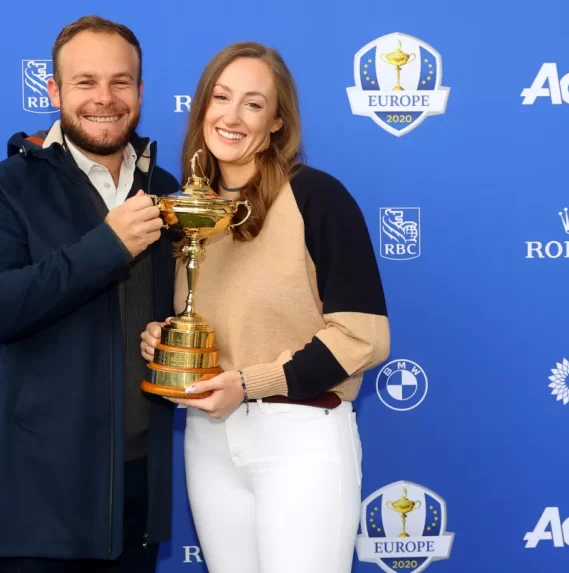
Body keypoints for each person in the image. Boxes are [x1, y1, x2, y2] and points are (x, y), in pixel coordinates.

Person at [140, 42, 391, 572]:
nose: (231, 117)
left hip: (300, 437)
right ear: (202, 106)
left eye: (253, 104)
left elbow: (364, 336)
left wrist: (250, 384)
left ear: (278, 121)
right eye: (221, 97)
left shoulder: (317, 197)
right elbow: (214, 321)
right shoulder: (189, 211)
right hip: (208, 440)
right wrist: (165, 341)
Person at [0, 15, 180, 573]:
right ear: (54, 91)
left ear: (141, 92)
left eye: (120, 82)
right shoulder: (5, 187)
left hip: (137, 493)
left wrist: (172, 335)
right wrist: (106, 246)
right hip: (42, 502)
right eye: (85, 82)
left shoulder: (166, 191)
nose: (104, 98)